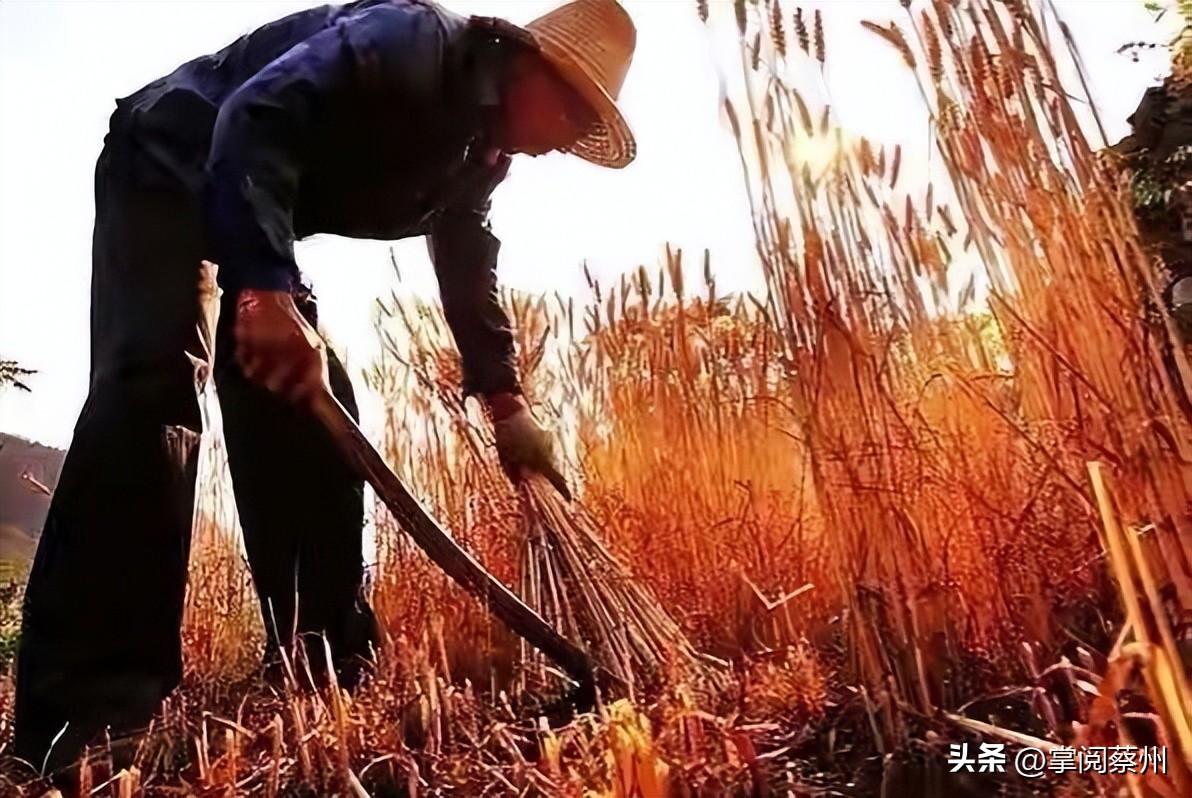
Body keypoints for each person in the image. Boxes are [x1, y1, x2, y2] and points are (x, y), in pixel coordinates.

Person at [11, 0, 637, 777]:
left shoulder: (483, 155)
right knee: (153, 393)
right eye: (572, 119)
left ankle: (321, 664)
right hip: (167, 159)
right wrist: (264, 293)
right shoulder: (409, 44)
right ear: (531, 68)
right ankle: (85, 719)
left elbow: (468, 255)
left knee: (311, 405)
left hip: (252, 211)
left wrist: (506, 402)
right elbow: (257, 112)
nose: (564, 147)